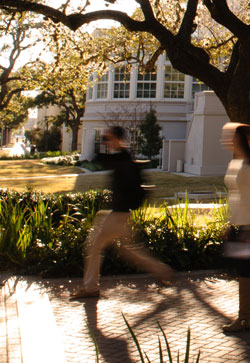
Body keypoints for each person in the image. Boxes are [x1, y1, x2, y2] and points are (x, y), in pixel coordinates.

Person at [70, 126, 173, 299]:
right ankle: (161, 270)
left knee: (93, 247)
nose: (106, 142)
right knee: (128, 251)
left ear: (118, 140)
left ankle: (90, 288)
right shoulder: (124, 158)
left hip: (118, 215)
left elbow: (98, 159)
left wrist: (94, 145)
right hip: (122, 214)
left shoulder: (122, 160)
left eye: (108, 139)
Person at [221, 122, 250, 334]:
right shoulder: (239, 162)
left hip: (248, 226)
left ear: (240, 140)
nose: (227, 139)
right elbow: (237, 197)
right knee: (241, 270)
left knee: (243, 271)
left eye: (231, 136)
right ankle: (245, 317)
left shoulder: (249, 167)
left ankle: (245, 318)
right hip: (240, 224)